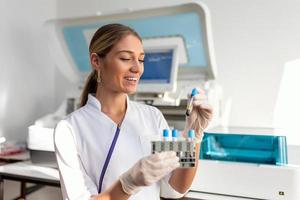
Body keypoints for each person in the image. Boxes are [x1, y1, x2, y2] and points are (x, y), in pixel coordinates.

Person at [54, 23, 213, 200]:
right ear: (96, 61)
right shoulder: (69, 129)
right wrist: (127, 184)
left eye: (141, 59)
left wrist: (193, 138)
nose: (137, 68)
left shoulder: (153, 116)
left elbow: (175, 189)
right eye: (125, 58)